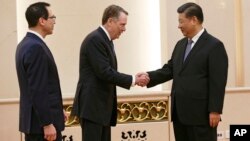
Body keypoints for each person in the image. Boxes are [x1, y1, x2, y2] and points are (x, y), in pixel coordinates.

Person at [137, 2, 228, 141]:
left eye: (181, 21)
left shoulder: (214, 46)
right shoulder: (180, 44)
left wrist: (215, 110)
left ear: (194, 20)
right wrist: (149, 77)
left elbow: (218, 82)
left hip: (201, 116)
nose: (178, 25)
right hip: (179, 115)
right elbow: (170, 69)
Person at [71, 4, 149, 141]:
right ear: (110, 21)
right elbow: (104, 72)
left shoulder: (106, 40)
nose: (124, 29)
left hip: (100, 109)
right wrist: (133, 80)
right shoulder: (95, 39)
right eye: (122, 24)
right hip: (93, 108)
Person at [15, 2, 66, 141]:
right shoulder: (35, 47)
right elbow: (38, 89)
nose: (54, 21)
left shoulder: (24, 44)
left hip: (35, 123)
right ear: (42, 21)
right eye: (52, 17)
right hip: (41, 127)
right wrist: (47, 123)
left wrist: (57, 111)